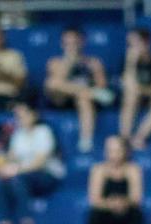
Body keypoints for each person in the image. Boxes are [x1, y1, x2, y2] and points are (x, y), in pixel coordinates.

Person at [0, 102, 64, 224]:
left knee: (17, 179)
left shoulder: (44, 132)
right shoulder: (18, 135)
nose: (21, 119)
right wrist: (2, 166)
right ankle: (4, 220)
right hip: (22, 175)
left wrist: (15, 170)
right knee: (0, 182)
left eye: (24, 115)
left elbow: (39, 163)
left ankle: (25, 218)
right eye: (18, 116)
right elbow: (11, 157)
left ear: (34, 115)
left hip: (46, 175)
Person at [83, 135, 146, 224]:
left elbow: (136, 198)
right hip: (105, 212)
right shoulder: (99, 169)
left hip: (127, 210)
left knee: (137, 214)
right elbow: (94, 199)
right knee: (93, 215)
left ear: (125, 151)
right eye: (110, 150)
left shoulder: (133, 169)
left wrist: (123, 203)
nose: (113, 154)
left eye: (117, 150)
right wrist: (111, 204)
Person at [45, 26, 111, 154]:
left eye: (75, 43)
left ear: (82, 42)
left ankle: (86, 139)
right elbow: (57, 81)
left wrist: (91, 72)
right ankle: (85, 92)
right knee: (51, 83)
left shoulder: (93, 62)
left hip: (85, 100)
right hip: (61, 99)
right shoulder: (55, 62)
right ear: (62, 44)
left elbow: (102, 86)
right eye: (67, 43)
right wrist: (69, 61)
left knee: (83, 97)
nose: (72, 46)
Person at [119, 27, 151, 150]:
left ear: (147, 43)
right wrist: (131, 62)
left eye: (135, 43)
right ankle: (124, 138)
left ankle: (139, 137)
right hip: (132, 99)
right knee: (130, 95)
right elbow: (128, 85)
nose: (132, 48)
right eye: (130, 44)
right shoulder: (127, 61)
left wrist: (141, 90)